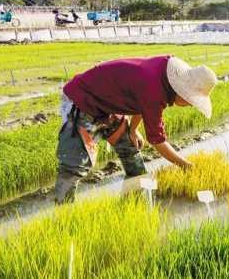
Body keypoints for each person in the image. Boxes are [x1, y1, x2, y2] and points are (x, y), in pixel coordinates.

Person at [54, 55, 218, 204]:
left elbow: (141, 100)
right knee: (74, 165)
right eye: (191, 100)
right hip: (84, 100)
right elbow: (158, 141)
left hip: (109, 105)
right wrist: (186, 166)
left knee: (130, 150)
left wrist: (133, 130)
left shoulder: (162, 75)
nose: (190, 104)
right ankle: (63, 214)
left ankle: (134, 203)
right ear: (182, 90)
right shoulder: (155, 89)